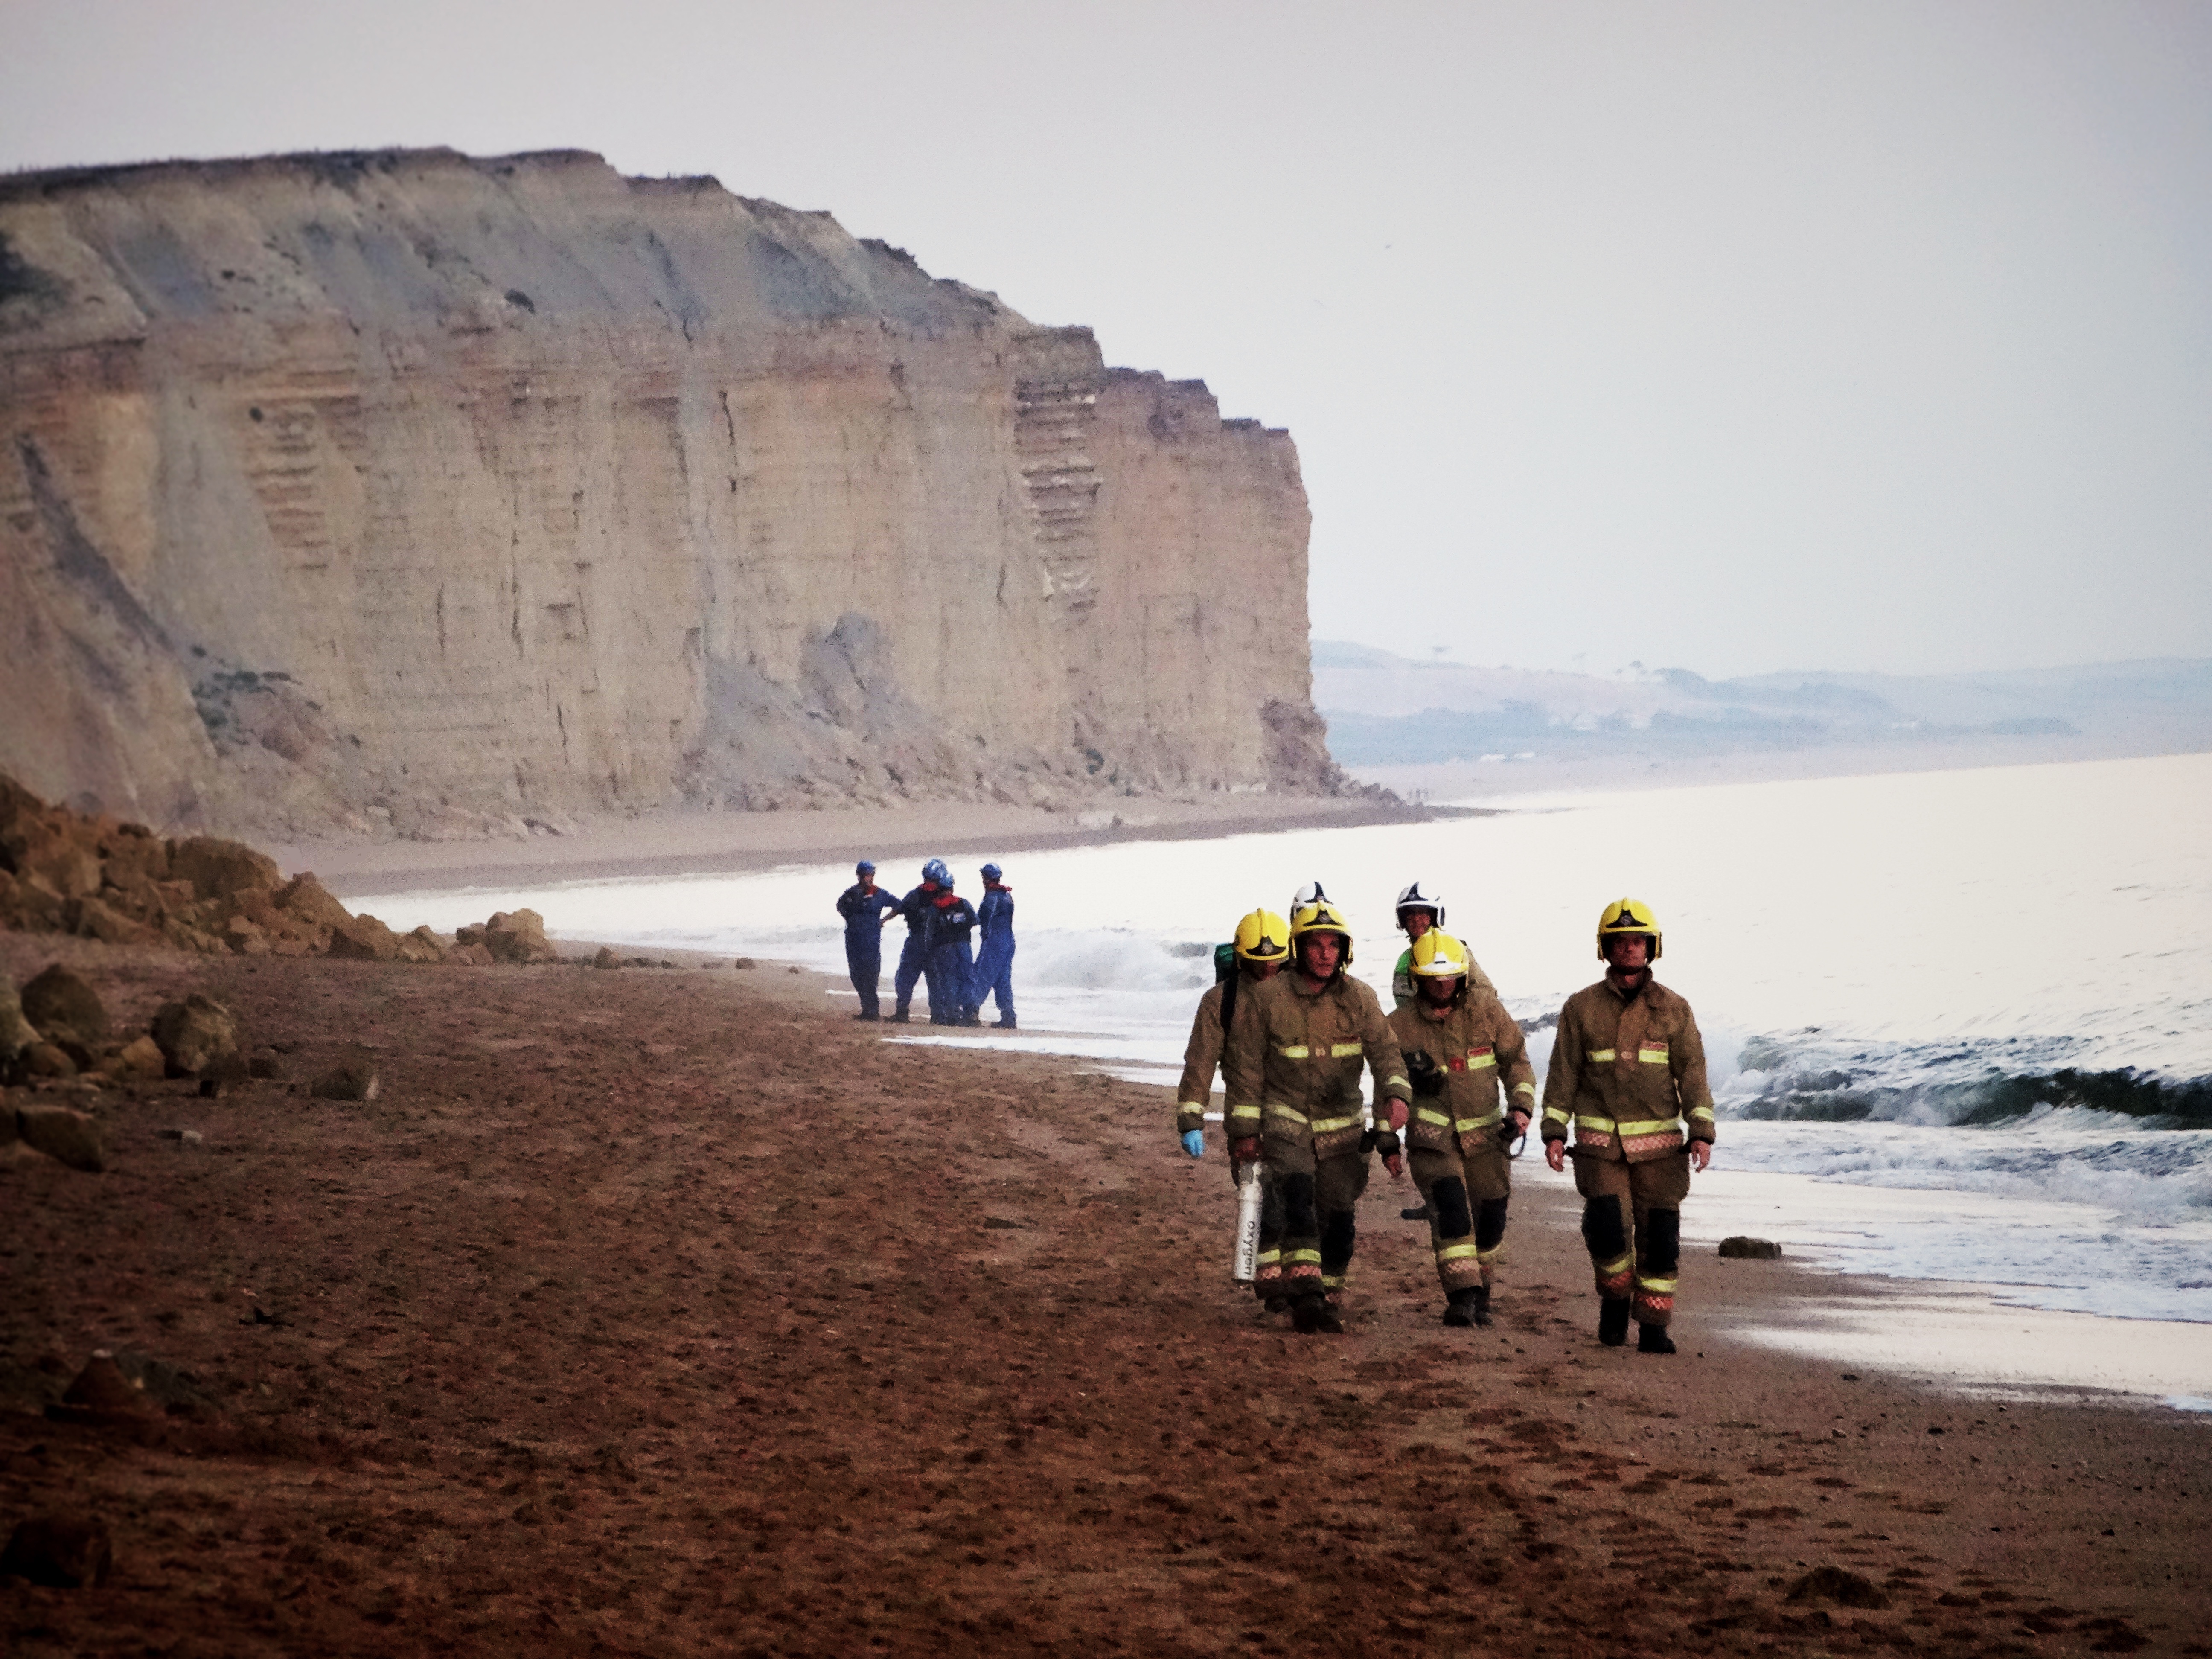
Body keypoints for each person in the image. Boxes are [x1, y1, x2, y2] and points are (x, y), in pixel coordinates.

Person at [1224, 897, 1412, 1334]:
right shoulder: (1268, 998)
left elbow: (1387, 1055)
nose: (1325, 953)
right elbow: (1247, 1068)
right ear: (1299, 948)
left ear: (1344, 950)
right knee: (1297, 1198)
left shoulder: (1361, 998)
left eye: (1333, 945)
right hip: (1285, 1120)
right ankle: (1306, 1295)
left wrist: (1398, 1096)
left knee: (1338, 1218)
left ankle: (1326, 1293)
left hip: (1343, 1131)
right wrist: (1246, 1131)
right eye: (1316, 945)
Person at [1541, 898, 1717, 1355]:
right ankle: (1615, 1300)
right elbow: (1563, 1075)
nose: (1629, 950)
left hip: (1661, 1154)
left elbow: (1693, 1073)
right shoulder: (1581, 1009)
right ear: (1606, 949)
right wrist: (1554, 1131)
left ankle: (1655, 1328)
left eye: (1637, 941)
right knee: (1608, 1231)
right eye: (1620, 943)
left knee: (1660, 1241)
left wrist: (1701, 1131)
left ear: (1652, 947)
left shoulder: (1675, 1009)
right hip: (1601, 1149)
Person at [1386, 931, 1535, 1326]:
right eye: (1433, 978)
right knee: (1451, 1211)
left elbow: (1517, 1064)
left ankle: (1482, 1291)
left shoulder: (1488, 1012)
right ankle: (1461, 1296)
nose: (1442, 984)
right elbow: (1385, 1085)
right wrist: (1389, 1133)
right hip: (1432, 1143)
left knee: (1491, 1219)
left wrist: (1521, 1110)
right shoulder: (1397, 1026)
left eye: (1450, 976)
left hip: (1488, 1139)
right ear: (1417, 980)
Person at [1174, 910, 1291, 1307]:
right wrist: (1191, 1119)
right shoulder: (1220, 1002)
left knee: (1300, 1202)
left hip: (1299, 1120)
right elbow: (1201, 1061)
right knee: (1263, 1202)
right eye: (1258, 963)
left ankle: (1298, 1279)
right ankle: (1272, 1285)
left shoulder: (1304, 996)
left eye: (1275, 962)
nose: (1268, 970)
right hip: (1248, 1127)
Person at [1389, 882, 1497, 1008]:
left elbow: (1484, 991)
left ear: (1435, 916)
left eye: (1422, 913)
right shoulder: (1405, 960)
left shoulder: (1457, 949)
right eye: (1410, 914)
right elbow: (1404, 1004)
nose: (1416, 919)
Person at [834, 860, 902, 1020]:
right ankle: (867, 1008)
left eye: (870, 875)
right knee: (856, 974)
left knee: (871, 973)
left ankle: (872, 1010)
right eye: (865, 875)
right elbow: (840, 906)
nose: (868, 878)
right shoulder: (851, 893)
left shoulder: (880, 893)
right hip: (853, 938)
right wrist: (850, 919)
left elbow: (899, 906)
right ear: (859, 876)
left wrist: (883, 920)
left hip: (871, 940)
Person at [890, 859, 949, 1024]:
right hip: (931, 945)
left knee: (908, 979)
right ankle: (937, 1016)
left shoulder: (915, 894)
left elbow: (899, 908)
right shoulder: (942, 896)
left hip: (920, 943)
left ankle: (903, 1012)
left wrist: (883, 920)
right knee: (934, 980)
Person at [921, 873, 981, 1026]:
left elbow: (930, 931)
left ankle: (952, 1014)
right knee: (968, 978)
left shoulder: (935, 908)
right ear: (952, 887)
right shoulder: (963, 903)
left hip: (945, 947)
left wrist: (929, 948)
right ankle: (971, 1013)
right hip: (963, 946)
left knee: (949, 980)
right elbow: (974, 921)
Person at [970, 863, 1017, 1029]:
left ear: (986, 878)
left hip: (994, 942)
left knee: (982, 976)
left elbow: (985, 917)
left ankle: (972, 1012)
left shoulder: (992, 897)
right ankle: (1008, 1016)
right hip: (1008, 942)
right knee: (1003, 980)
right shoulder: (1007, 896)